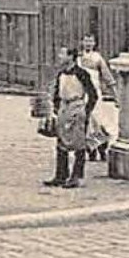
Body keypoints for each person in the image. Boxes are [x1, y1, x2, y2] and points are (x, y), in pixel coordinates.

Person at [44, 46, 98, 189]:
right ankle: (61, 175)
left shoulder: (82, 74)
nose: (60, 56)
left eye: (63, 54)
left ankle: (77, 176)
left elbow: (93, 95)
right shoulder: (61, 73)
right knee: (61, 142)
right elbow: (56, 92)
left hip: (77, 107)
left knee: (79, 143)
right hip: (64, 107)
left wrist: (85, 111)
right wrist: (56, 108)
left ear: (71, 56)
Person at [77, 33, 119, 162]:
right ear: (82, 42)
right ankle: (90, 150)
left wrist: (116, 95)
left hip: (95, 94)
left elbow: (107, 77)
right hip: (80, 93)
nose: (88, 44)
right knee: (85, 122)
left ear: (94, 43)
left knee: (99, 121)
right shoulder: (77, 58)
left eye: (91, 41)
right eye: (86, 41)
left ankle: (101, 148)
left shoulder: (97, 58)